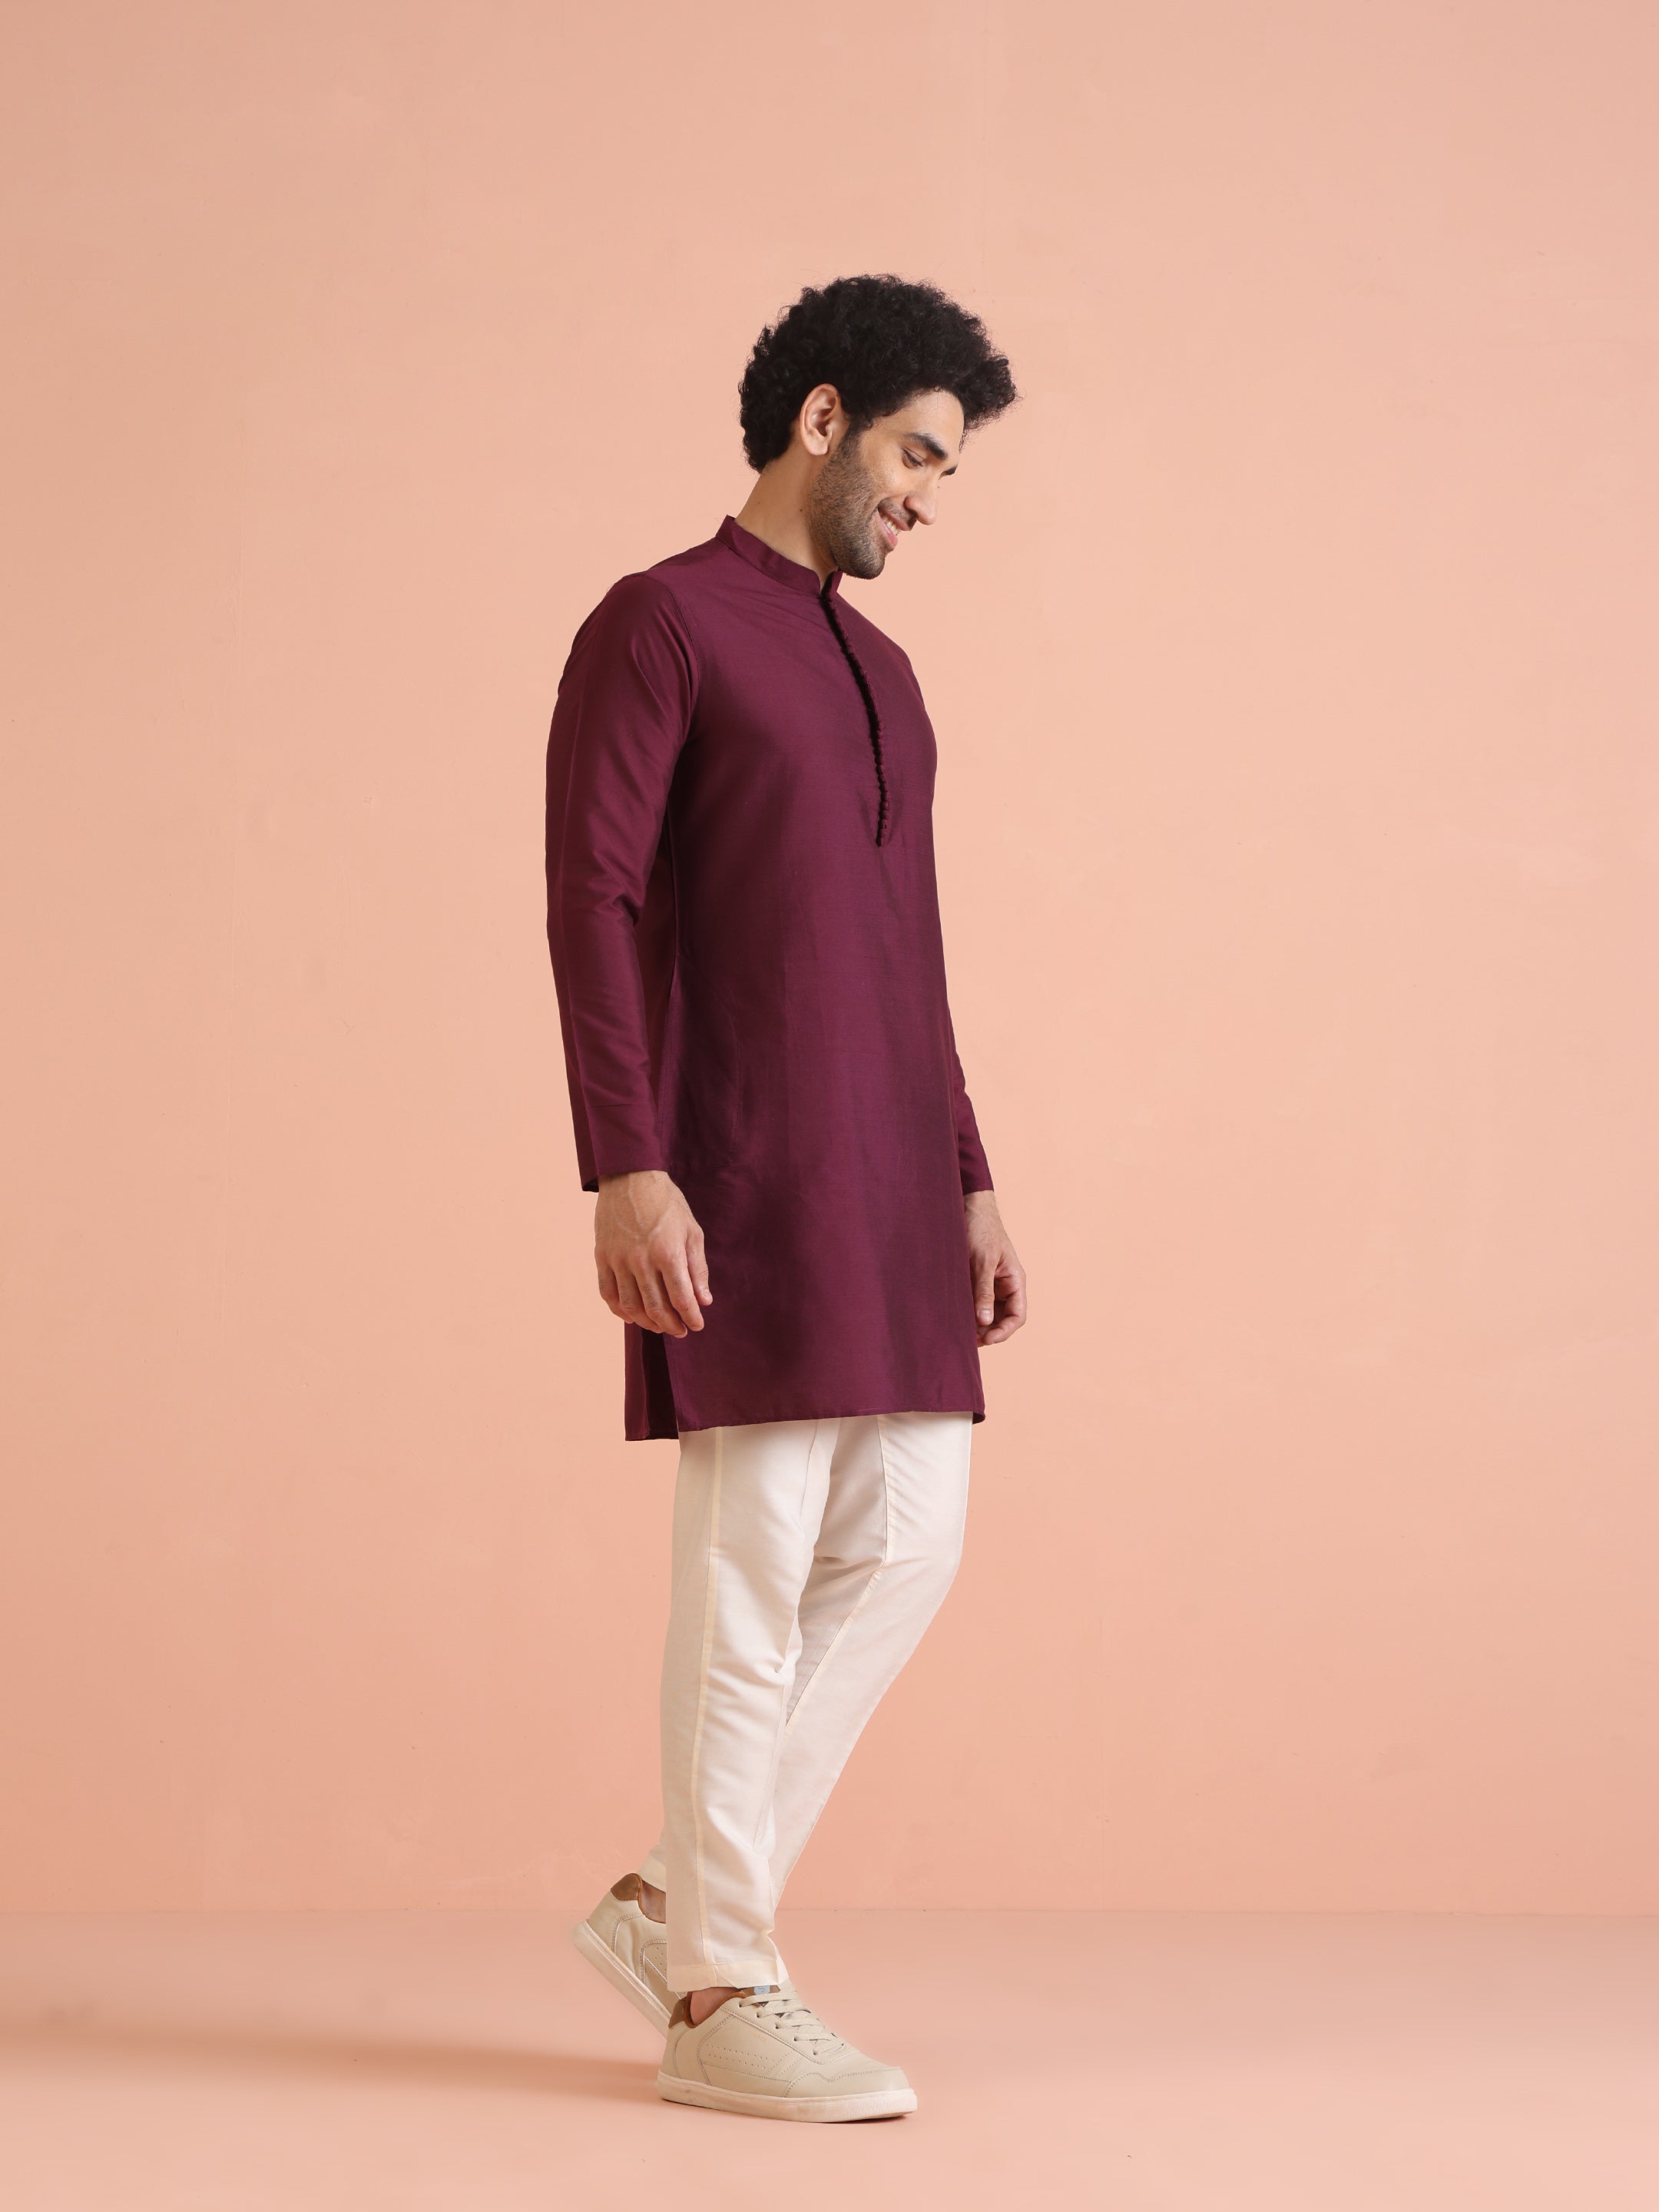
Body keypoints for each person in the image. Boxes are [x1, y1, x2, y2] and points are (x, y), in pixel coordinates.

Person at [545, 274, 1027, 2122]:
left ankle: (671, 1900)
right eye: (917, 454)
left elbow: (911, 951)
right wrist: (626, 1159)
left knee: (910, 1542)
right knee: (749, 1578)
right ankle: (717, 1989)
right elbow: (593, 896)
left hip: (894, 1180)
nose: (927, 497)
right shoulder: (659, 624)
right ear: (822, 419)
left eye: (945, 471)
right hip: (739, 1165)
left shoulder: (887, 676)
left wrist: (969, 1175)